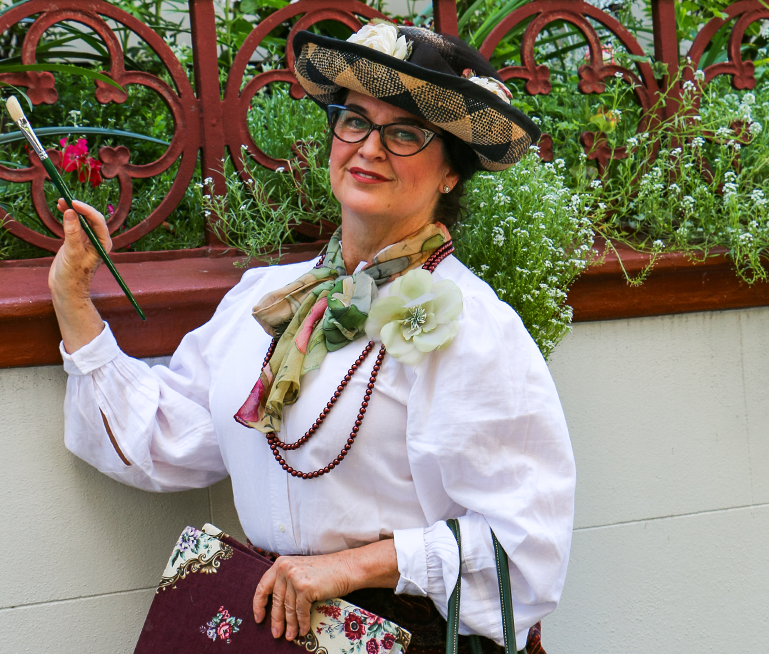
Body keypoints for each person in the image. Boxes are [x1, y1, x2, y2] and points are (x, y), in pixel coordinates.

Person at [51, 22, 574, 654]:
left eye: (404, 133)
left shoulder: (471, 327)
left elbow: (524, 542)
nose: (368, 148)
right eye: (353, 120)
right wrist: (72, 299)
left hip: (405, 637)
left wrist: (347, 568)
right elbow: (170, 434)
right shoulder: (271, 299)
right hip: (275, 629)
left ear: (450, 175)